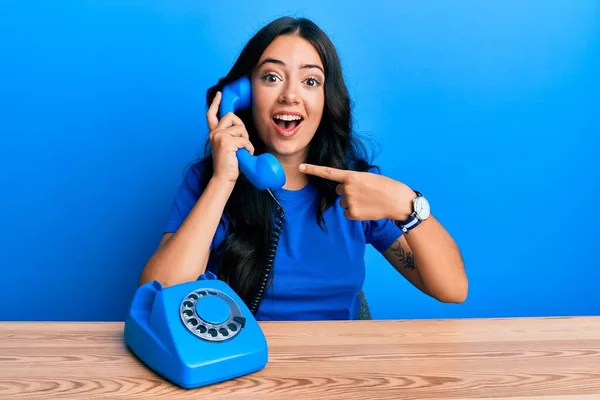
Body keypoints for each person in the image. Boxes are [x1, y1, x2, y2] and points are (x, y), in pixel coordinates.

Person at [139, 16, 467, 321]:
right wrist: (224, 180)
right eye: (271, 77)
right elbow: (159, 295)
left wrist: (407, 203)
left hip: (337, 367)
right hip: (241, 366)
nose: (291, 96)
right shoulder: (207, 180)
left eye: (310, 81)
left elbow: (452, 289)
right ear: (243, 95)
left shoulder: (356, 186)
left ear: (327, 99)